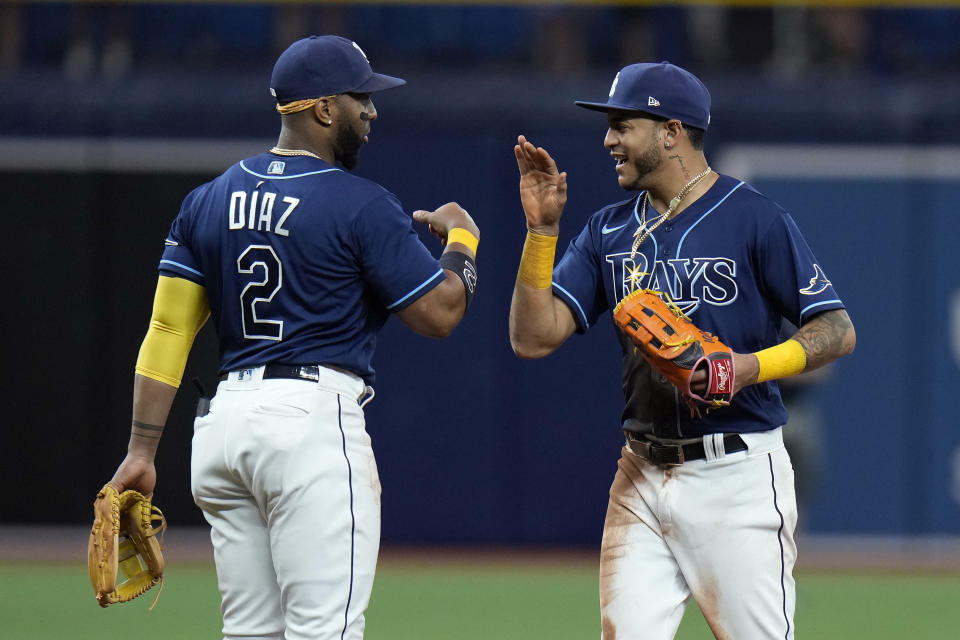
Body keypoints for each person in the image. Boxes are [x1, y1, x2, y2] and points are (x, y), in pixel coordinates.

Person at [99, 35, 480, 640]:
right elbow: (441, 313)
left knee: (251, 634)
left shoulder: (208, 199)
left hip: (223, 432)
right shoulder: (361, 204)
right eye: (362, 99)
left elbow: (168, 330)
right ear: (324, 109)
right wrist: (463, 242)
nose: (372, 112)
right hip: (309, 426)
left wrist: (142, 451)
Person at [509, 61, 855, 639]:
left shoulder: (753, 218)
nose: (608, 139)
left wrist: (752, 367)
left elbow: (837, 328)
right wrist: (542, 233)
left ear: (670, 131)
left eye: (624, 125)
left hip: (737, 472)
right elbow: (531, 336)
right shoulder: (606, 231)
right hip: (640, 472)